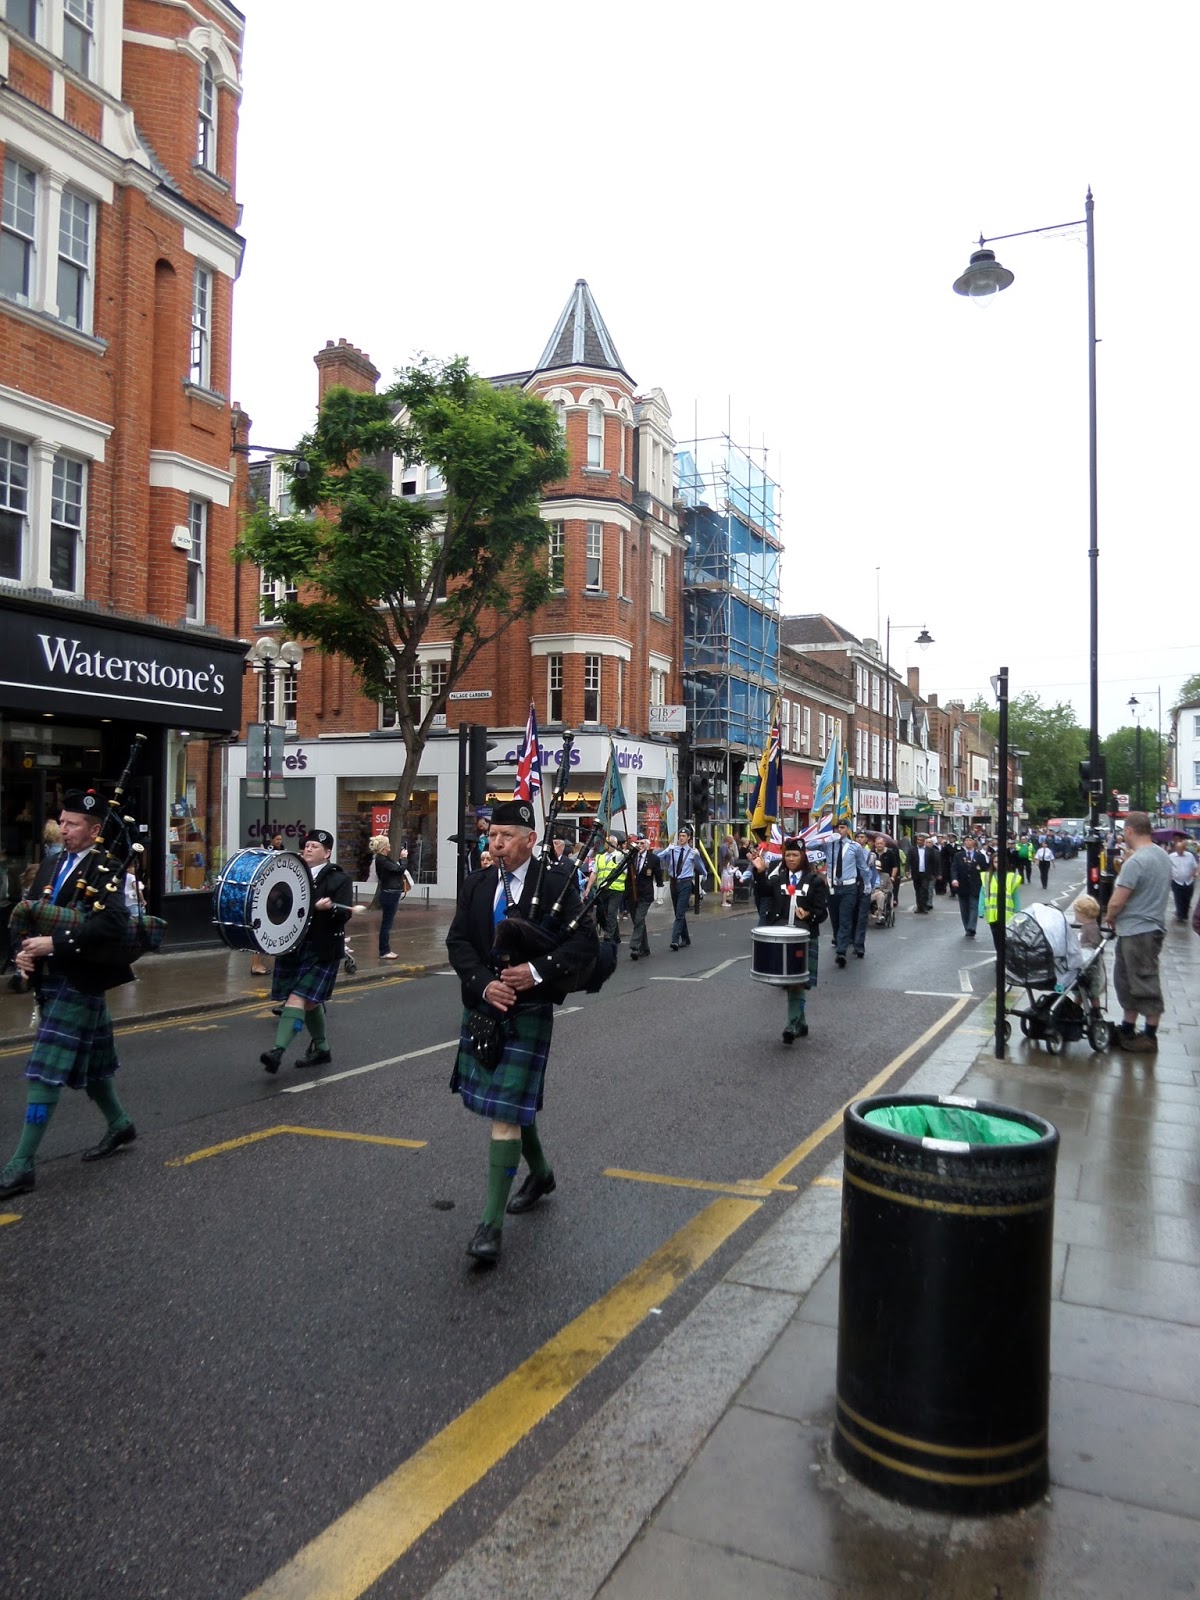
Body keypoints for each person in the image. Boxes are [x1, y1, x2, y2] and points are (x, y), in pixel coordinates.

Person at [445, 798, 597, 1266]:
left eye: (506, 836)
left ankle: (489, 1227)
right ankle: (542, 1174)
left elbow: (585, 944)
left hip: (528, 1009)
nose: (496, 844)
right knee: (510, 1106)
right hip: (484, 1006)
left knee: (506, 1112)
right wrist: (483, 983)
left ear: (530, 840)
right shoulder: (476, 883)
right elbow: (458, 942)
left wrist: (534, 971)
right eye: (493, 835)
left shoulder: (554, 883)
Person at [0, 790, 138, 1200]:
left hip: (80, 977)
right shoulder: (52, 863)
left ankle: (22, 1164)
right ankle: (120, 1124)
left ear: (94, 830)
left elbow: (114, 924)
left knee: (46, 1067)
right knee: (94, 1066)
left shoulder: (107, 867)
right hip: (50, 979)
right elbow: (28, 912)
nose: (63, 829)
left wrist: (56, 944)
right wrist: (21, 952)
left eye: (72, 824)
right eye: (61, 822)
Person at [260, 830, 353, 1073]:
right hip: (294, 945)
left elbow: (345, 913)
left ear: (327, 853)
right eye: (307, 845)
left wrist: (330, 908)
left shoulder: (339, 879)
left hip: (322, 948)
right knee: (310, 1002)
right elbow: (280, 907)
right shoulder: (291, 874)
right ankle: (321, 1049)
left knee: (297, 997)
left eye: (315, 846)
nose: (308, 849)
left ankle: (277, 1051)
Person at [1104, 811, 1171, 1053]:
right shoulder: (1162, 856)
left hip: (1137, 930)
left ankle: (1149, 1036)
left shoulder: (1136, 862)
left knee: (1143, 981)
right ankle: (1128, 1029)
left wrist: (1110, 916)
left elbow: (1118, 900)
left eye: (1124, 831)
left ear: (1130, 830)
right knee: (1127, 981)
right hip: (1150, 926)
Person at [751, 837, 828, 1043]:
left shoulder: (815, 881)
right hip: (783, 937)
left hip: (805, 937)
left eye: (795, 855)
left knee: (798, 982)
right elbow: (763, 891)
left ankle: (792, 1024)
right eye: (788, 855)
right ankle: (800, 1022)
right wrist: (759, 872)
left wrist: (809, 914)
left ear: (803, 857)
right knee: (792, 982)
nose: (791, 859)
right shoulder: (779, 879)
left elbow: (822, 912)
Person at [827, 818, 871, 966]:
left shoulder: (855, 847)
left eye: (842, 827)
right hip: (832, 887)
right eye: (837, 828)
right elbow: (809, 845)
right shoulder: (829, 845)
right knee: (835, 919)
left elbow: (863, 866)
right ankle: (838, 939)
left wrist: (867, 883)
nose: (839, 830)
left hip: (849, 887)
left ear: (848, 830)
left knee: (845, 919)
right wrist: (825, 839)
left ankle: (841, 952)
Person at [369, 834, 410, 961]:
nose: (390, 846)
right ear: (384, 847)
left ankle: (385, 950)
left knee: (387, 923)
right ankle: (384, 951)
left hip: (391, 893)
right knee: (387, 924)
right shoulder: (382, 860)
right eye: (388, 844)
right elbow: (399, 870)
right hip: (389, 894)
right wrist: (403, 859)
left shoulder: (383, 860)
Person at [659, 826, 700, 951]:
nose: (681, 838)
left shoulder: (692, 852)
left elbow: (701, 867)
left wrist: (698, 859)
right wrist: (667, 850)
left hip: (685, 883)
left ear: (688, 838)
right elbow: (658, 858)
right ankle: (686, 938)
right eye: (680, 836)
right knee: (678, 912)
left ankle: (675, 940)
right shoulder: (673, 850)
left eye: (684, 836)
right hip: (673, 883)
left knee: (680, 913)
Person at [589, 832, 629, 946]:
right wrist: (588, 888)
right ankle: (616, 936)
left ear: (615, 845)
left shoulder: (620, 856)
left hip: (616, 889)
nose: (607, 845)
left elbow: (626, 868)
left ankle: (609, 936)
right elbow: (594, 873)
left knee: (612, 912)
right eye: (606, 843)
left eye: (610, 843)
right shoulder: (599, 857)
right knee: (605, 912)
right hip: (603, 889)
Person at [627, 834, 663, 960]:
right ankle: (645, 948)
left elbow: (659, 878)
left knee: (639, 918)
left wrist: (659, 897)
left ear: (647, 845)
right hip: (632, 894)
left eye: (642, 843)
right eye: (638, 843)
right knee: (638, 921)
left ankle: (635, 947)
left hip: (645, 895)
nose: (639, 845)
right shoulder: (631, 857)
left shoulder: (654, 859)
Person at [1071, 893, 1106, 1018]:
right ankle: (1075, 1010)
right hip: (1085, 964)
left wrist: (1081, 947)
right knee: (1081, 990)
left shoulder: (1091, 928)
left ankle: (1095, 1012)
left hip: (1091, 967)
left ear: (1082, 914)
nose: (1075, 915)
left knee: (1091, 992)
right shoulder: (1087, 926)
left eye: (1076, 912)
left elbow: (1095, 943)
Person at [979, 853, 1022, 953]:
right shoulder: (987, 877)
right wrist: (980, 910)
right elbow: (983, 894)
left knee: (1006, 939)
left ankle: (1005, 957)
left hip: (1007, 915)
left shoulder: (1011, 877)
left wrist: (1017, 912)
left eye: (1000, 862)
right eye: (995, 862)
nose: (998, 864)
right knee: (996, 939)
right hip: (992, 915)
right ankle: (1000, 957)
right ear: (992, 863)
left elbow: (1015, 896)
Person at [950, 836, 986, 937]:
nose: (968, 842)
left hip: (975, 886)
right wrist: (954, 879)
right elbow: (954, 868)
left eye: (970, 840)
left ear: (974, 842)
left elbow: (984, 870)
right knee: (964, 908)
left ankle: (972, 927)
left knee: (974, 907)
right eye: (966, 840)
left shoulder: (980, 856)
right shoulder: (958, 855)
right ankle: (967, 928)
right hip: (962, 886)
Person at [853, 831, 880, 955]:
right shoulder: (851, 852)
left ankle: (859, 945)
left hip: (865, 885)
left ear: (866, 840)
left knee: (862, 916)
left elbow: (873, 871)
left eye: (862, 837)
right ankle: (851, 939)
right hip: (852, 885)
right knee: (852, 914)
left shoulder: (871, 855)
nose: (860, 839)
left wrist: (872, 885)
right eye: (858, 837)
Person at [1167, 838, 1199, 923]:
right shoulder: (1171, 857)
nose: (1179, 851)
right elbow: (1168, 867)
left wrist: (1194, 874)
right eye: (1177, 849)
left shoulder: (1189, 856)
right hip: (1177, 881)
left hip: (1188, 881)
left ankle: (1185, 915)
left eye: (1181, 849)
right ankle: (1180, 915)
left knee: (1187, 899)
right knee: (1178, 898)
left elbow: (1194, 866)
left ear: (1184, 849)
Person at [906, 833, 937, 913]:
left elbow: (933, 862)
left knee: (924, 889)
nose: (919, 842)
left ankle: (924, 906)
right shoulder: (912, 850)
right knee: (918, 891)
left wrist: (934, 874)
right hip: (916, 873)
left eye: (921, 840)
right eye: (918, 840)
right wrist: (907, 870)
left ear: (924, 841)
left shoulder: (930, 850)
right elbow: (908, 861)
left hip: (926, 874)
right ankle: (919, 907)